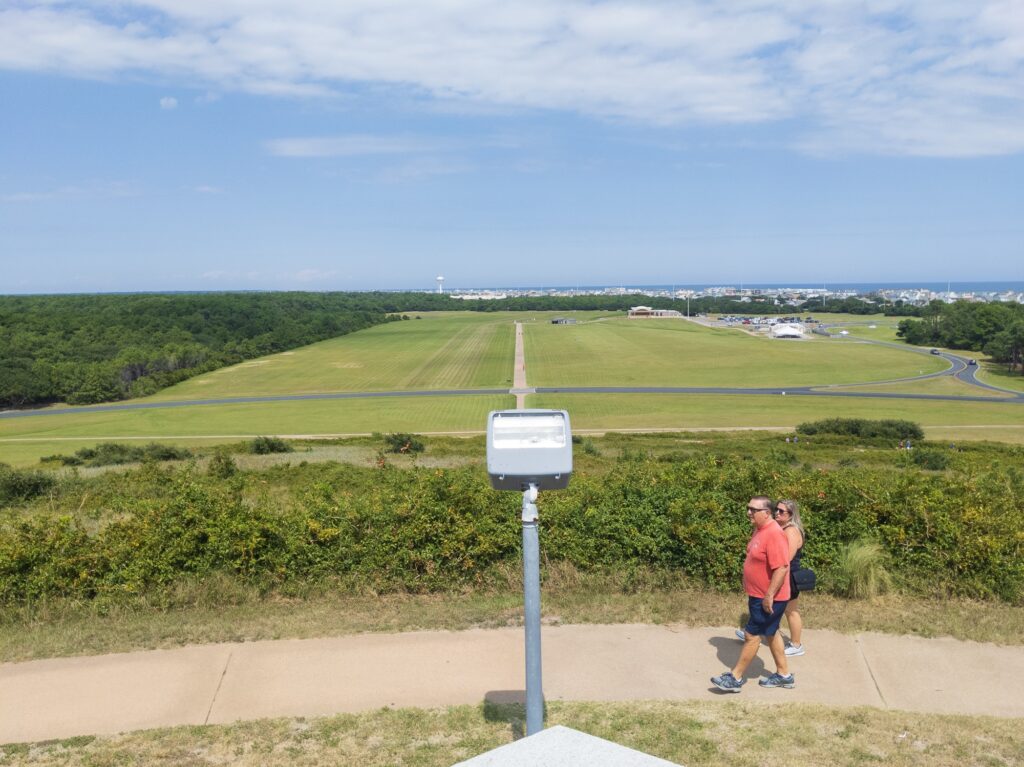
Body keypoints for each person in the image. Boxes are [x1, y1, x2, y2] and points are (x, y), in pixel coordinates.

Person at [712, 496, 794, 692]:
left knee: (752, 635)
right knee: (771, 632)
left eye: (753, 510)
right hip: (759, 594)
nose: (749, 512)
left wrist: (769, 596)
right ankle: (784, 675)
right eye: (748, 508)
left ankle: (735, 678)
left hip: (769, 598)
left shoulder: (774, 533)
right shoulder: (759, 529)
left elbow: (782, 568)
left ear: (766, 513)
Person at [774, 499, 806, 656]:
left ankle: (796, 645)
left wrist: (776, 576)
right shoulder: (782, 528)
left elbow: (787, 558)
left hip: (788, 576)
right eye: (776, 509)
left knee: (790, 610)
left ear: (791, 514)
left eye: (781, 511)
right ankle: (754, 633)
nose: (777, 513)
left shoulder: (791, 531)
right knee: (770, 606)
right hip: (782, 575)